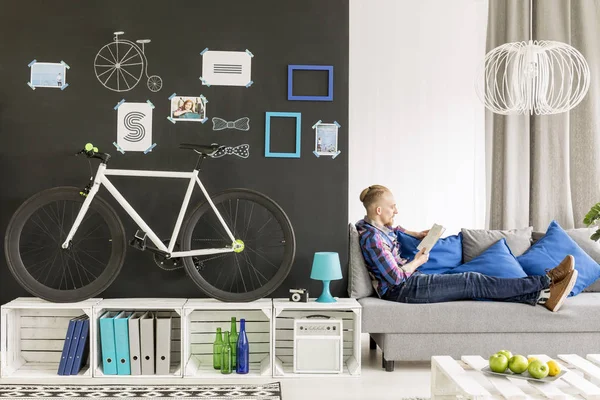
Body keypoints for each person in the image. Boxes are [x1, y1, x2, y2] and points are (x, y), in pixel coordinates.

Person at [356, 184, 578, 312]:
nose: (396, 211)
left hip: (410, 282)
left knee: (475, 286)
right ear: (378, 210)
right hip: (402, 290)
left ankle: (542, 296)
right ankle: (547, 280)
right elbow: (395, 278)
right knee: (472, 280)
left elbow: (395, 230)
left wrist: (415, 233)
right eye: (392, 207)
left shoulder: (375, 227)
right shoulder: (372, 240)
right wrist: (418, 261)